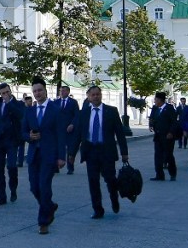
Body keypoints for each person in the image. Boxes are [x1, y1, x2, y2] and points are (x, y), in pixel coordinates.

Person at [76, 85, 129, 219]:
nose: (95, 97)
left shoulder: (111, 111)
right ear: (88, 97)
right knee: (93, 182)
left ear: (101, 95)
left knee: (110, 179)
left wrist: (124, 152)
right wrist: (71, 153)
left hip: (107, 152)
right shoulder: (84, 113)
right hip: (91, 152)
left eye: (98, 94)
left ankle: (114, 198)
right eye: (93, 95)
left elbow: (120, 133)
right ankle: (97, 209)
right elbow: (79, 134)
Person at [22, 78, 64, 234]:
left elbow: (61, 134)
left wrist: (61, 157)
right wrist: (29, 137)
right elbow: (23, 132)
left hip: (49, 155)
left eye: (40, 90)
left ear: (46, 91)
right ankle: (50, 206)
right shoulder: (30, 111)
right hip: (34, 155)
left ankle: (43, 222)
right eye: (34, 91)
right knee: (34, 187)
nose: (37, 93)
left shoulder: (55, 109)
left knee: (44, 186)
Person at [148, 92, 178, 181]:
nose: (154, 101)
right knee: (157, 155)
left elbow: (174, 122)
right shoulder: (155, 108)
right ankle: (159, 175)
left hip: (168, 136)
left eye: (155, 99)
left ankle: (173, 174)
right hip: (158, 135)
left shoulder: (169, 108)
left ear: (160, 100)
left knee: (168, 155)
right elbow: (152, 117)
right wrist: (151, 125)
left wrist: (171, 132)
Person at [56, 85, 80, 174]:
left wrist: (73, 124)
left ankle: (70, 168)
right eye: (60, 91)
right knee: (58, 148)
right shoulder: (56, 102)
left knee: (70, 150)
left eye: (64, 90)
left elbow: (77, 115)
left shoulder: (73, 102)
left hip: (70, 129)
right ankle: (56, 166)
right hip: (59, 129)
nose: (61, 92)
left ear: (68, 92)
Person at [18, 95, 34, 167]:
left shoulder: (33, 109)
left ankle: (31, 160)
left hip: (30, 130)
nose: (31, 103)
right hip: (22, 129)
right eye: (30, 101)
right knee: (21, 146)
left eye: (31, 101)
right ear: (26, 101)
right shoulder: (22, 109)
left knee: (32, 144)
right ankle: (20, 162)